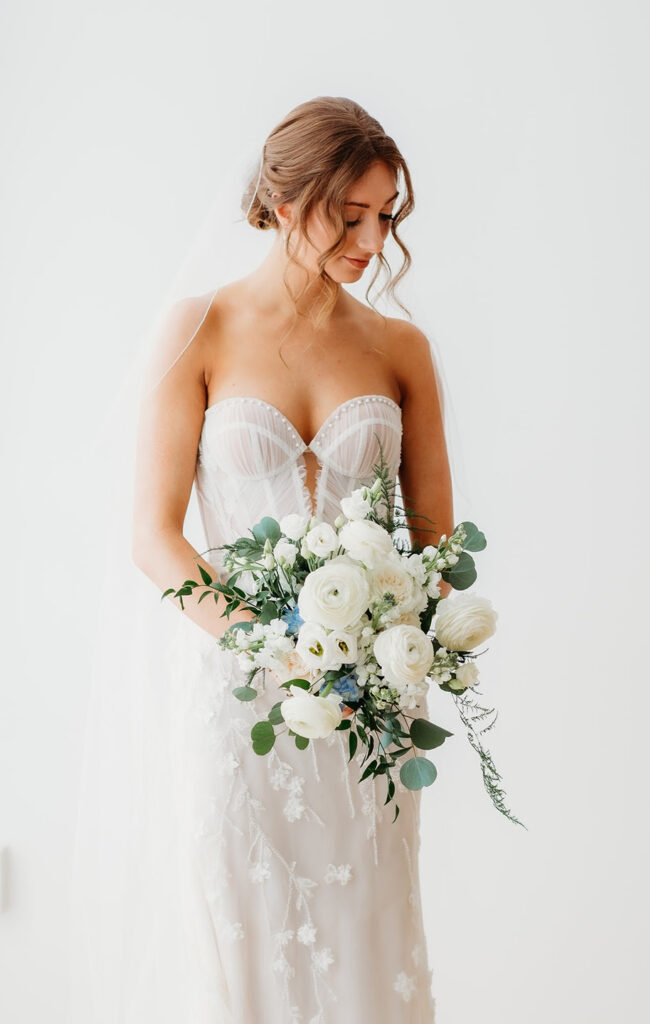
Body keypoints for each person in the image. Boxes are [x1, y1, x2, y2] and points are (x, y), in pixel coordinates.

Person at [69, 95, 467, 1024]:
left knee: (369, 925)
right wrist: (269, 646)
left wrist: (380, 643)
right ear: (285, 201)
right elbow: (155, 536)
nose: (372, 241)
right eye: (351, 214)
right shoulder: (197, 329)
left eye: (386, 217)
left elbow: (439, 541)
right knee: (243, 931)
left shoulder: (399, 347)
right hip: (238, 695)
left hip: (368, 701)